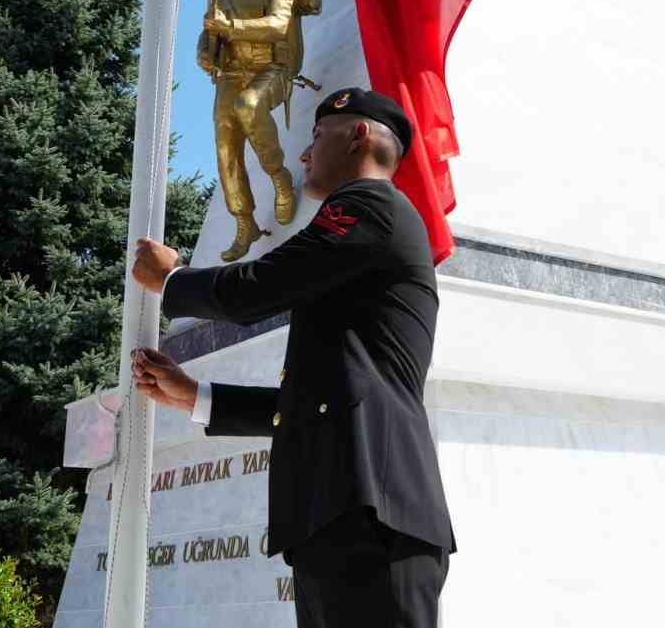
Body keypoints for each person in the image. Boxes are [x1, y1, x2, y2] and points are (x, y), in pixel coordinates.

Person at [131, 87, 454, 628]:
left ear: (358, 136)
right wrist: (198, 396)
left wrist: (172, 280)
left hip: (371, 509)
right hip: (345, 511)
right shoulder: (364, 233)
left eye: (316, 136)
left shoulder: (369, 206)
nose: (303, 155)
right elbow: (325, 398)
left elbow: (259, 287)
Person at [198, 0, 301, 261]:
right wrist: (204, 53)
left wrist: (233, 26)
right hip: (229, 75)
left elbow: (277, 25)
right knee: (225, 147)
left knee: (248, 105)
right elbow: (209, 32)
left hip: (269, 70)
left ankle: (279, 176)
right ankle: (244, 221)